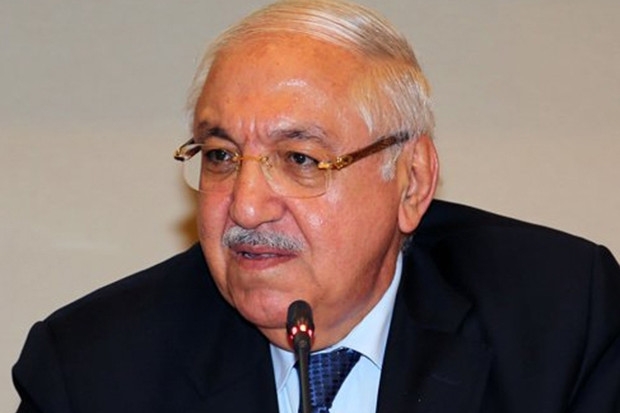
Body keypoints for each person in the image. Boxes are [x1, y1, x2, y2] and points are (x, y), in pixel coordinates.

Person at [12, 0, 620, 412]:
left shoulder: (563, 317)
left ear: (411, 183)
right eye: (221, 155)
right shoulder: (90, 372)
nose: (246, 207)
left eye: (300, 159)